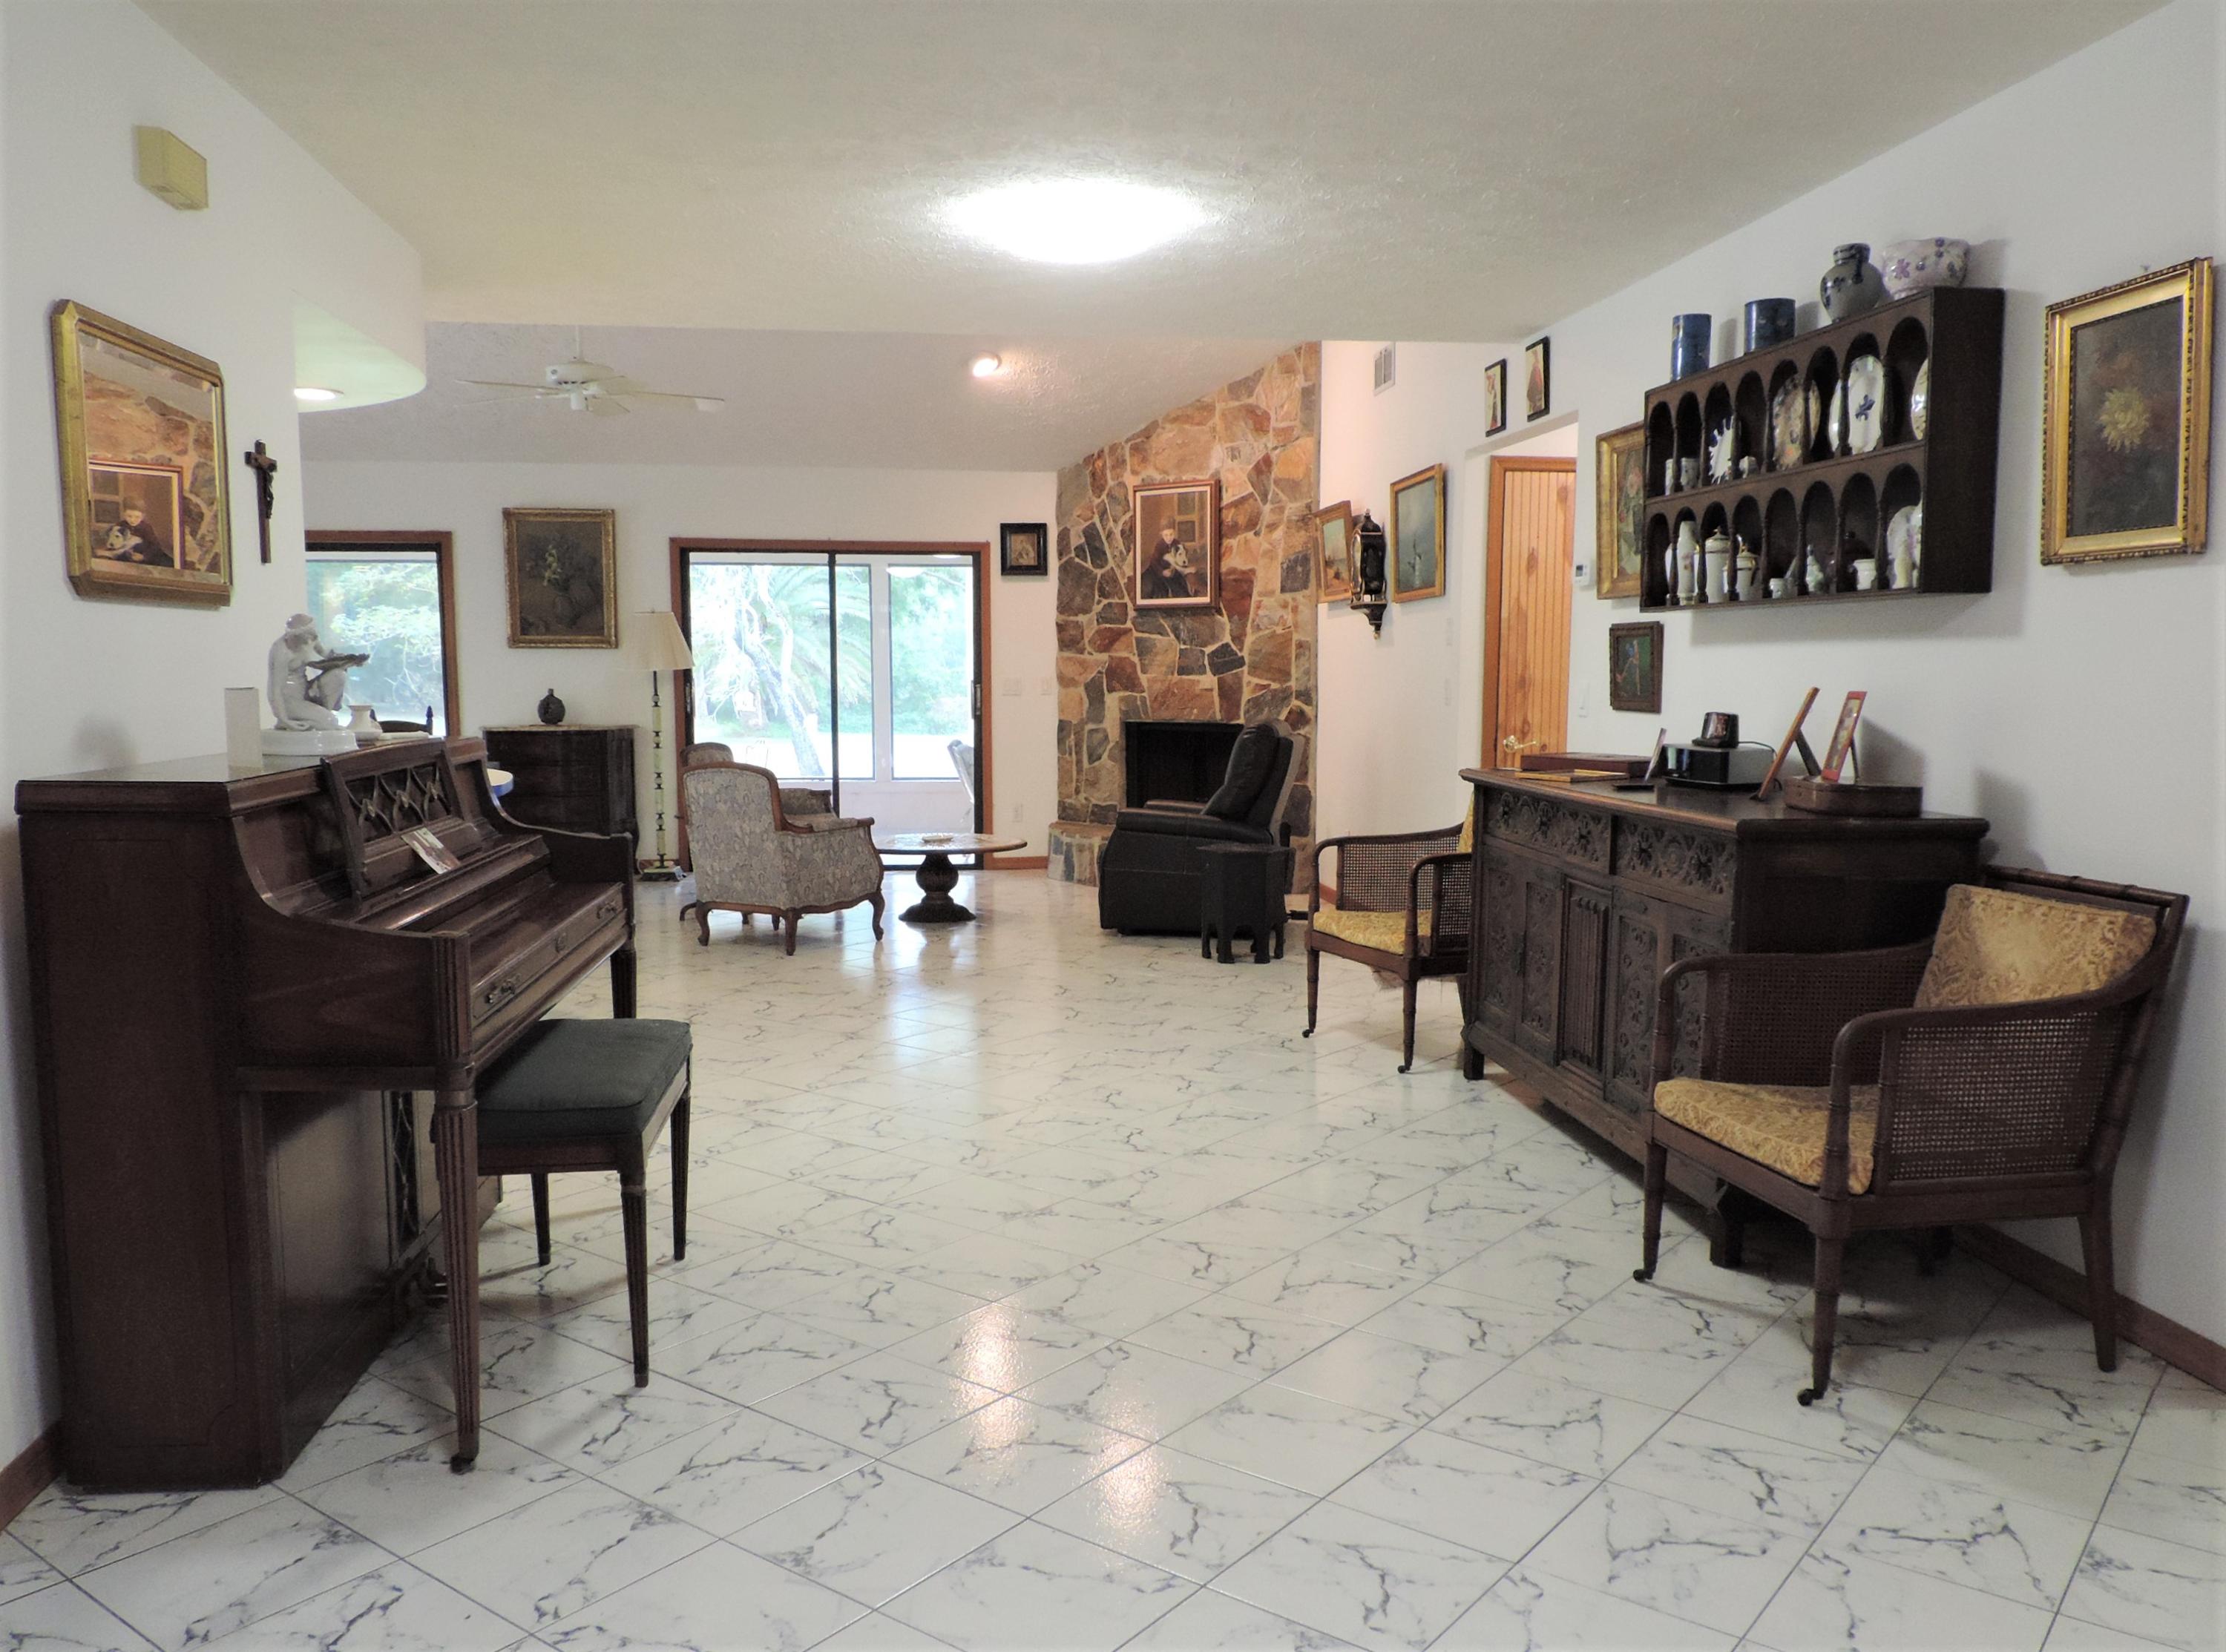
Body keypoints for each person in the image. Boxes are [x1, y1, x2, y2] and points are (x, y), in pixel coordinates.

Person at [1141, 527, 1195, 600]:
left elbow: (1182, 559)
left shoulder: (1177, 543)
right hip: (1157, 571)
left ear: (1174, 534)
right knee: (1155, 589)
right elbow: (1154, 562)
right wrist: (1162, 572)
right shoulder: (1159, 545)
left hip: (1172, 570)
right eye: (1166, 535)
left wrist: (1182, 568)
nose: (1169, 538)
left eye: (1171, 534)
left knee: (1181, 588)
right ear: (1162, 535)